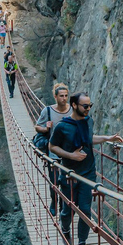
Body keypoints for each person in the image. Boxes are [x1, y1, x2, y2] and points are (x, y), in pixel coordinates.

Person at [49, 92, 123, 245]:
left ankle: (82, 244)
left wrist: (107, 138)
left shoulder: (88, 121)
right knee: (68, 210)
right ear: (74, 105)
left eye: (90, 105)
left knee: (84, 209)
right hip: (69, 173)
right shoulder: (62, 126)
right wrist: (71, 156)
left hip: (88, 172)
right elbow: (52, 146)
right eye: (85, 106)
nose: (88, 108)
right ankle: (65, 229)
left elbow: (89, 138)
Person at [34, 83, 71, 216]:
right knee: (54, 181)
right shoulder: (48, 111)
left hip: (68, 153)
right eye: (61, 96)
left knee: (66, 182)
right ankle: (54, 201)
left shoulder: (72, 110)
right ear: (55, 97)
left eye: (66, 96)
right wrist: (46, 128)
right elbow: (38, 127)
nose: (64, 98)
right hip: (52, 153)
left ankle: (62, 206)